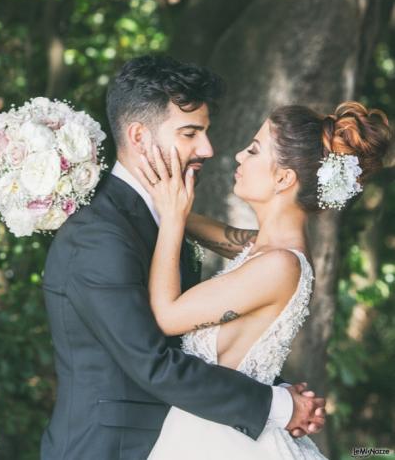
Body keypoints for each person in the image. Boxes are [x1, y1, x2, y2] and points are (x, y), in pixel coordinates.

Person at [40, 55, 327, 460]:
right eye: (191, 133)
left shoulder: (165, 216)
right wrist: (276, 405)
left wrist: (274, 389)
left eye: (205, 132)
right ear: (139, 137)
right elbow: (155, 363)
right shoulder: (98, 235)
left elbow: (201, 340)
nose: (208, 149)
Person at [139, 101, 391, 459]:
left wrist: (173, 218)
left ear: (283, 178)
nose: (240, 156)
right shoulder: (264, 249)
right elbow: (217, 234)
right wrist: (156, 196)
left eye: (254, 150)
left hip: (218, 439)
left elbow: (166, 315)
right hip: (207, 426)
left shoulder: (279, 265)